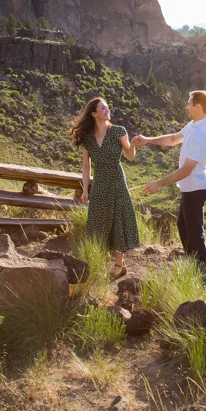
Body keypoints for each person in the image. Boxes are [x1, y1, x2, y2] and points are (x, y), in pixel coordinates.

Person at [133, 90, 206, 285]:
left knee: (195, 233)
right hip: (189, 188)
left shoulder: (203, 134)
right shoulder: (195, 125)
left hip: (196, 188)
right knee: (183, 226)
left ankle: (202, 279)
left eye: (189, 104)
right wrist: (148, 140)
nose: (186, 107)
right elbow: (173, 139)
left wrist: (158, 184)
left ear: (198, 107)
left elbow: (187, 170)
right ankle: (192, 267)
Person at [69, 97, 139, 279]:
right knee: (97, 218)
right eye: (103, 108)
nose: (107, 110)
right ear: (94, 113)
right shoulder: (87, 138)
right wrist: (85, 189)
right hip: (99, 181)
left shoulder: (118, 131)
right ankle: (105, 257)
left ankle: (118, 264)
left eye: (107, 107)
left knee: (117, 217)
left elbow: (130, 156)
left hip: (116, 178)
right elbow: (86, 166)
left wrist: (133, 146)